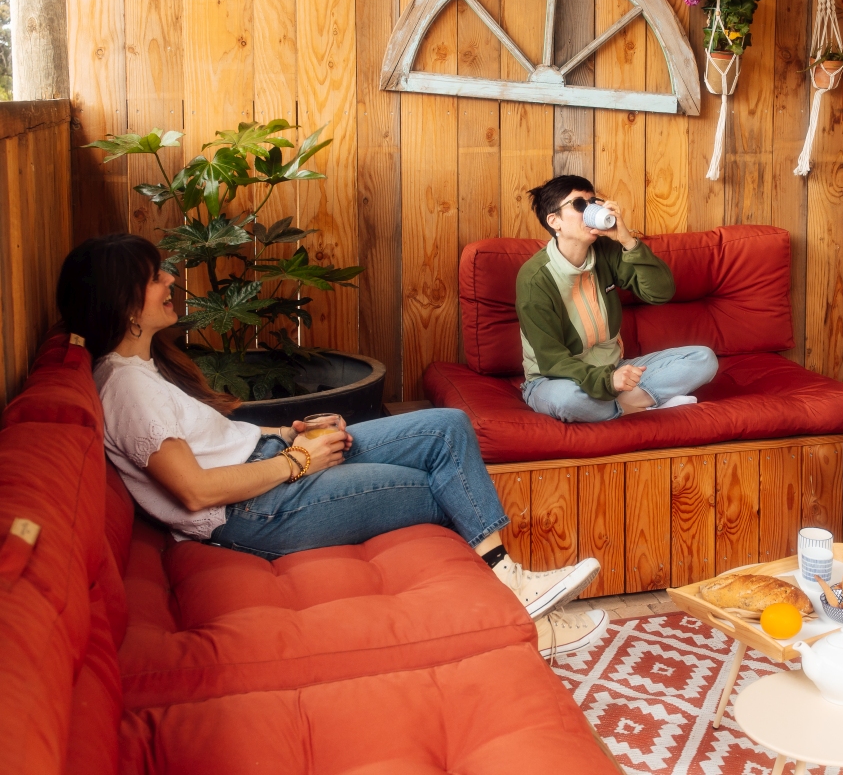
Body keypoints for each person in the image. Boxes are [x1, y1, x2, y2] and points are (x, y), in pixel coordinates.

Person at [57, 233, 609, 656]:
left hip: (269, 467)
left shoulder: (141, 369)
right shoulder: (127, 388)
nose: (170, 279)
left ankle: (511, 584)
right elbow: (196, 491)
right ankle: (521, 609)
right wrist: (299, 460)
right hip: (257, 510)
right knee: (434, 488)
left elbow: (210, 442)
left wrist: (288, 434)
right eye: (156, 276)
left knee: (447, 427)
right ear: (126, 303)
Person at [517, 175, 718, 422]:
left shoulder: (606, 252)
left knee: (703, 359)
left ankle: (618, 408)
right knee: (569, 401)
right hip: (555, 379)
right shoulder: (535, 278)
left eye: (593, 202)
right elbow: (552, 359)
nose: (590, 210)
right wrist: (606, 381)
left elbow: (660, 292)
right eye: (579, 204)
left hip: (614, 369)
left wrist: (627, 241)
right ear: (554, 221)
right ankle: (648, 407)